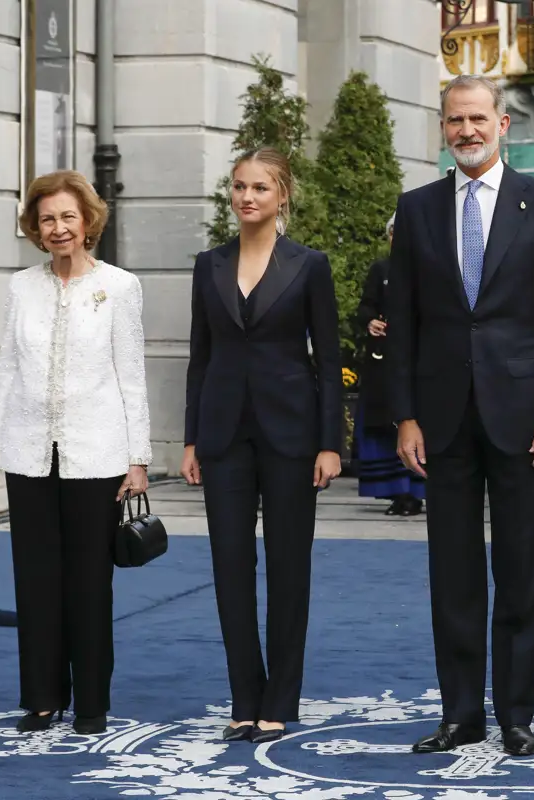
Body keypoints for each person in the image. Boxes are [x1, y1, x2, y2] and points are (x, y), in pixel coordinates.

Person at [387, 74, 534, 758]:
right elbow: (404, 325)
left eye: (477, 118)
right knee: (454, 573)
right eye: (453, 120)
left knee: (524, 570)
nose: (465, 130)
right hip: (442, 420)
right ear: (442, 128)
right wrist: (405, 416)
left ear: (504, 124)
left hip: (525, 417)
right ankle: (461, 713)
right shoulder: (416, 211)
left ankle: (516, 714)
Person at [0, 170, 151, 736]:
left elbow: (132, 378)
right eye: (47, 219)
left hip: (95, 457)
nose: (58, 228)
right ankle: (43, 699)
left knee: (89, 585)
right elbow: (7, 373)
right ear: (35, 227)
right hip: (28, 456)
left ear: (88, 221)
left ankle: (92, 703)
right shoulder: (20, 287)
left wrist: (138, 458)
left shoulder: (120, 287)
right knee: (36, 582)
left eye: (68, 217)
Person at [182, 147, 343, 744]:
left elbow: (328, 359)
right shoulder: (208, 264)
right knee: (229, 567)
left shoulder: (309, 265)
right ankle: (244, 698)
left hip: (293, 435)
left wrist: (331, 443)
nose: (247, 197)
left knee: (288, 567)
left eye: (260, 187)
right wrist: (192, 436)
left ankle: (281, 698)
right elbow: (200, 358)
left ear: (282, 196)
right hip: (223, 434)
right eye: (240, 186)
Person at [355, 214, 425, 515]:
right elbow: (365, 306)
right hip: (383, 360)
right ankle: (396, 492)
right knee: (385, 424)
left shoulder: (428, 269)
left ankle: (418, 490)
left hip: (420, 360)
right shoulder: (379, 269)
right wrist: (370, 322)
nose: (398, 236)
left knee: (419, 424)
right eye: (394, 231)